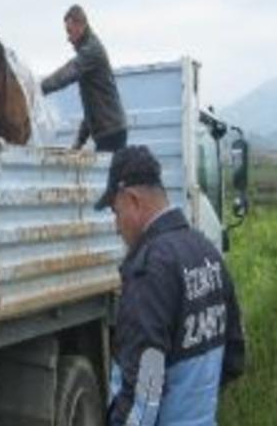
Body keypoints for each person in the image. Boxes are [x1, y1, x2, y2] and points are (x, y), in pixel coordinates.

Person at [96, 146, 245, 426]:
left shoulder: (150, 269)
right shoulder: (206, 252)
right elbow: (234, 355)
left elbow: (145, 386)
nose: (117, 227)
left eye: (116, 212)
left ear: (133, 200)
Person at [41, 4, 128, 152]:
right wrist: (79, 142)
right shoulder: (88, 52)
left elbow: (68, 72)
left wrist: (39, 88)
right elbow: (92, 106)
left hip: (111, 132)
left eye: (69, 31)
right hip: (109, 131)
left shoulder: (92, 51)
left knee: (108, 175)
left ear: (81, 25)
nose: (68, 37)